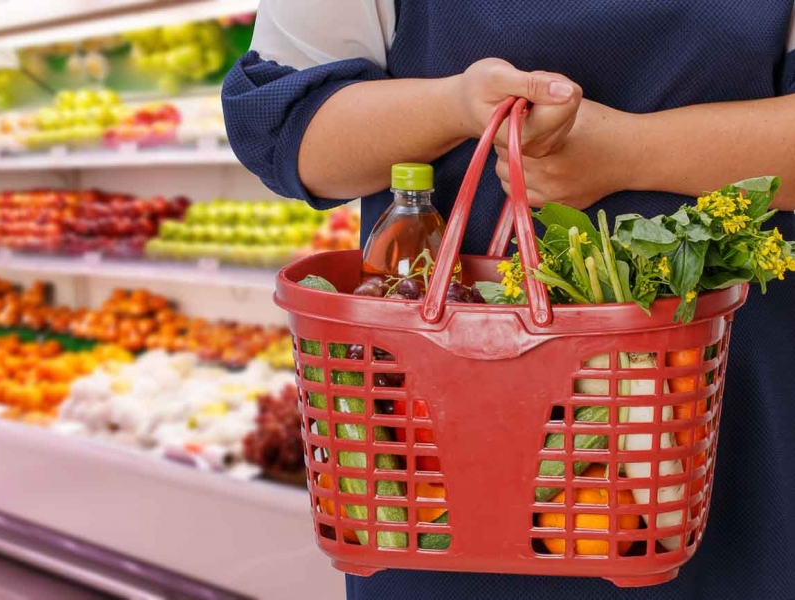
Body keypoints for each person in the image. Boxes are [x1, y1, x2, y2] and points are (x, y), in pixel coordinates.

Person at [222, 2, 795, 599]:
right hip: (442, 450)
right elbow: (285, 127)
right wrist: (455, 106)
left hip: (733, 410)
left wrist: (632, 151)